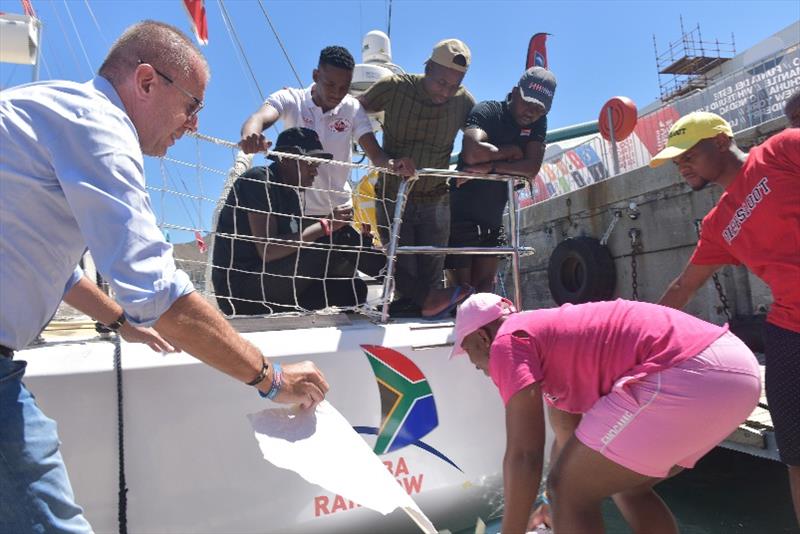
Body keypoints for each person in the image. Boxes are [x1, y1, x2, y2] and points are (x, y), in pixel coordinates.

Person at [0, 21, 329, 533]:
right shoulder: (101, 127)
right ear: (148, 82)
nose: (194, 124)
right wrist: (272, 379)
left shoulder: (48, 106)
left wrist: (119, 319)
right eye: (192, 105)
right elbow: (157, 291)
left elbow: (54, 267)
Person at [451, 293, 761, 534]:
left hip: (686, 370)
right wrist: (547, 500)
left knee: (570, 491)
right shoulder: (550, 339)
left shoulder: (508, 340)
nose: (477, 367)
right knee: (622, 484)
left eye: (471, 355)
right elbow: (571, 442)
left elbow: (524, 456)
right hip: (737, 373)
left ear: (483, 338)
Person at [651, 111, 800, 523]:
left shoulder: (783, 150)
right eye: (675, 161)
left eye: (687, 155)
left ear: (720, 141)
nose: (681, 166)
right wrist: (637, 335)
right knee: (796, 455)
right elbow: (684, 286)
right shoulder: (718, 224)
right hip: (790, 331)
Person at [358, 38, 478, 319]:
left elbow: (476, 134)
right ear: (428, 67)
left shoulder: (464, 101)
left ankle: (432, 324)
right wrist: (378, 156)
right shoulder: (395, 87)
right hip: (393, 194)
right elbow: (354, 112)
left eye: (454, 85)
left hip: (436, 197)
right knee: (403, 268)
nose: (446, 92)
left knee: (432, 270)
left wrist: (468, 166)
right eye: (440, 82)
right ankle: (405, 321)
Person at [213, 127, 384, 315]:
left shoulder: (293, 195)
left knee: (352, 289)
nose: (315, 172)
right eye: (310, 163)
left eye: (316, 166)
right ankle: (401, 283)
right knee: (337, 235)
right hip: (242, 292)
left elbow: (300, 242)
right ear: (285, 159)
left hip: (271, 284)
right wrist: (326, 225)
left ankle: (356, 334)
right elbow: (268, 250)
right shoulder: (259, 181)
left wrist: (361, 242)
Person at [239, 45, 414, 219]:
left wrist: (393, 165)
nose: (337, 93)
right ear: (316, 76)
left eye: (344, 87)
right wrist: (250, 136)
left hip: (339, 213)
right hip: (293, 211)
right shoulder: (291, 99)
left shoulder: (352, 108)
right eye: (330, 84)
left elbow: (375, 154)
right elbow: (259, 117)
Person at [446, 67, 556, 292]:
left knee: (486, 292)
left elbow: (531, 168)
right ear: (515, 92)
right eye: (527, 102)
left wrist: (490, 166)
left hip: (493, 219)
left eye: (539, 108)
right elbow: (472, 153)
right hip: (461, 215)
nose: (531, 112)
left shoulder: (538, 122)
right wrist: (512, 151)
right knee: (462, 291)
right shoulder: (487, 111)